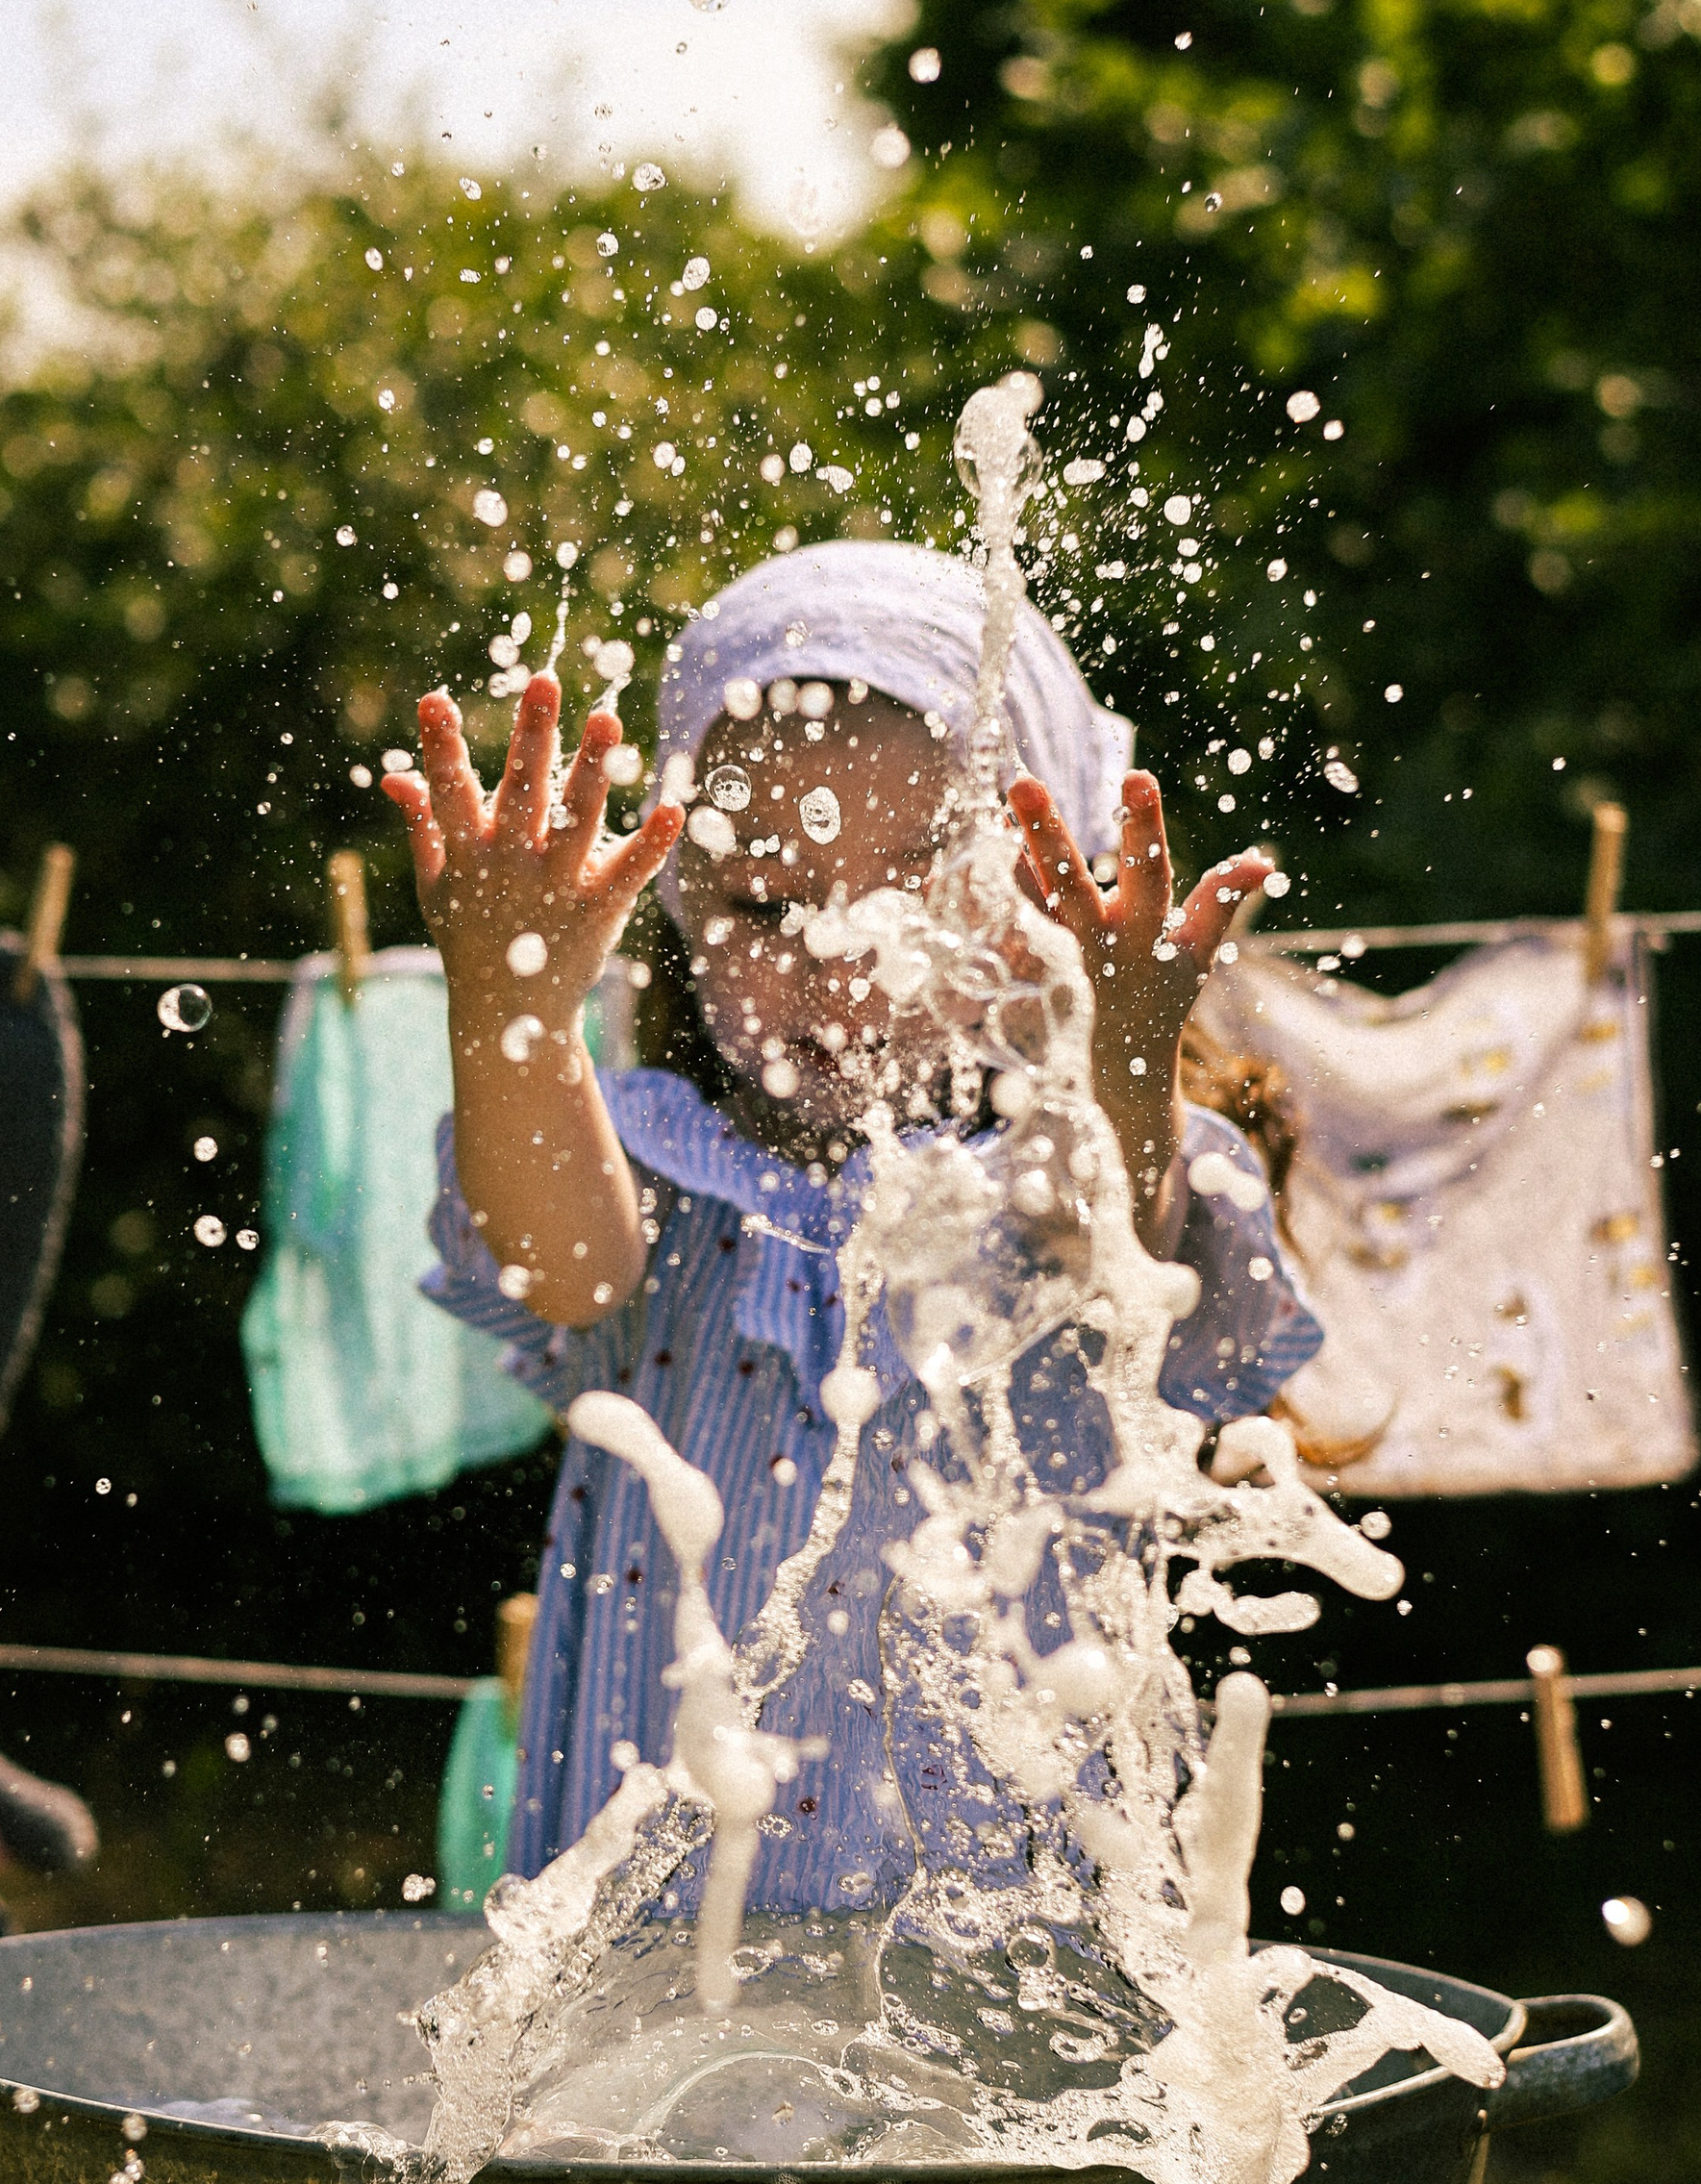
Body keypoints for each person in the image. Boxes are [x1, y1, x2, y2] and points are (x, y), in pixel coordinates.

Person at [385, 542, 1324, 1916]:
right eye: (765, 902)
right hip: (652, 1971)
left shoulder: (1049, 1178)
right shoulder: (655, 1168)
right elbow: (557, 1260)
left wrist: (1123, 1046)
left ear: (1040, 914)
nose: (833, 957)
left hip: (1014, 1981)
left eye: (916, 896)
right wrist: (510, 997)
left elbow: (1105, 1233)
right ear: (682, 899)